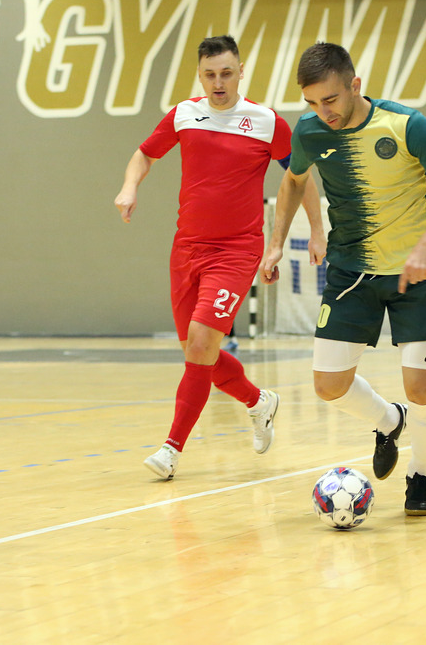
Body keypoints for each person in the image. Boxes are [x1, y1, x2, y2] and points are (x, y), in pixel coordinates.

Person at [261, 42, 426, 516]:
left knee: (421, 389)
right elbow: (294, 180)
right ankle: (389, 419)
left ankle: (420, 473)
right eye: (312, 102)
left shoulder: (406, 125)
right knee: (328, 385)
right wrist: (276, 242)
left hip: (415, 276)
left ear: (355, 85)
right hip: (351, 271)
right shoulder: (310, 131)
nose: (323, 112)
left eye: (330, 99)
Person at [114, 35, 326, 479]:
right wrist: (129, 187)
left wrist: (315, 231)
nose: (218, 83)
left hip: (236, 251)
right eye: (210, 74)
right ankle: (258, 401)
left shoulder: (266, 122)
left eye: (226, 73)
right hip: (186, 249)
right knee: (199, 355)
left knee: (200, 345)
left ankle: (171, 450)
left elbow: (300, 179)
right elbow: (144, 154)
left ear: (241, 71)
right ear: (199, 75)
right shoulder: (184, 114)